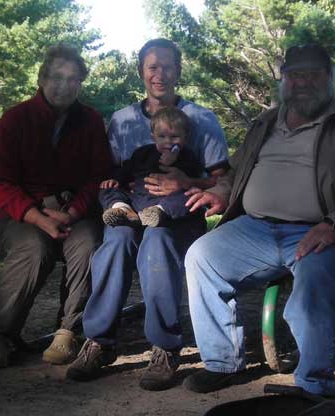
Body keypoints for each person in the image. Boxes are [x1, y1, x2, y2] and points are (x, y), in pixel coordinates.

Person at [182, 44, 335, 395]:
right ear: (283, 80)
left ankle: (313, 384)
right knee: (201, 256)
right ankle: (223, 362)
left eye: (313, 74)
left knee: (315, 275)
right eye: (295, 74)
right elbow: (236, 171)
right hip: (256, 229)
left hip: (324, 230)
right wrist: (222, 191)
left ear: (330, 79)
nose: (303, 82)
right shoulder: (266, 122)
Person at [66, 38, 229, 391]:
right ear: (141, 71)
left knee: (156, 242)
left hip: (177, 217)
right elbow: (114, 173)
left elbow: (223, 179)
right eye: (153, 66)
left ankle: (165, 346)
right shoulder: (123, 121)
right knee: (116, 241)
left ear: (179, 71)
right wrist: (115, 198)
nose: (160, 74)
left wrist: (188, 180)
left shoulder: (202, 118)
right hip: (131, 211)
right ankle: (98, 341)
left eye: (168, 66)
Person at [0, 44, 112, 369]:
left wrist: (72, 213)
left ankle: (68, 330)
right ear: (41, 78)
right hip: (17, 218)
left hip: (73, 215)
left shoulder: (91, 121)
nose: (64, 85)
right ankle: (1, 335)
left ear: (81, 83)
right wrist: (38, 217)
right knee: (34, 247)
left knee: (89, 242)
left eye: (73, 79)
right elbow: (1, 183)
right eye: (56, 77)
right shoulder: (15, 119)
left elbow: (98, 177)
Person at [99, 106, 203, 228]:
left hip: (166, 201)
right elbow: (127, 170)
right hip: (138, 199)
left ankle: (159, 212)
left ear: (185, 137)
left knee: (190, 195)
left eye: (174, 137)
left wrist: (175, 160)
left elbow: (194, 176)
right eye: (162, 136)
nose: (168, 141)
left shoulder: (187, 156)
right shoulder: (142, 153)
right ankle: (123, 210)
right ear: (153, 137)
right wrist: (116, 180)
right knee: (105, 188)